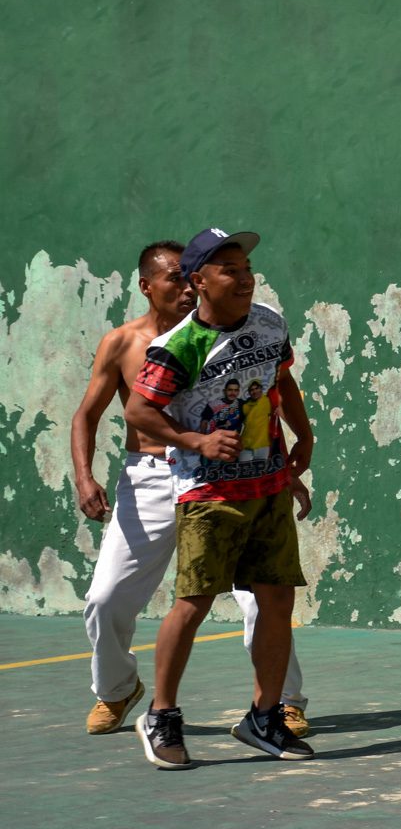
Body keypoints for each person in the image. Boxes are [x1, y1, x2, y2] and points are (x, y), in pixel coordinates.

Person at [72, 241, 311, 739]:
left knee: (264, 597)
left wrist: (290, 460)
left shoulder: (250, 330)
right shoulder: (129, 344)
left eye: (188, 278)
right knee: (107, 598)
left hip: (228, 480)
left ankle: (282, 704)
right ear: (146, 287)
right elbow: (93, 415)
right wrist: (85, 475)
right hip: (152, 479)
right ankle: (118, 690)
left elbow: (266, 397)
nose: (182, 289)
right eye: (172, 280)